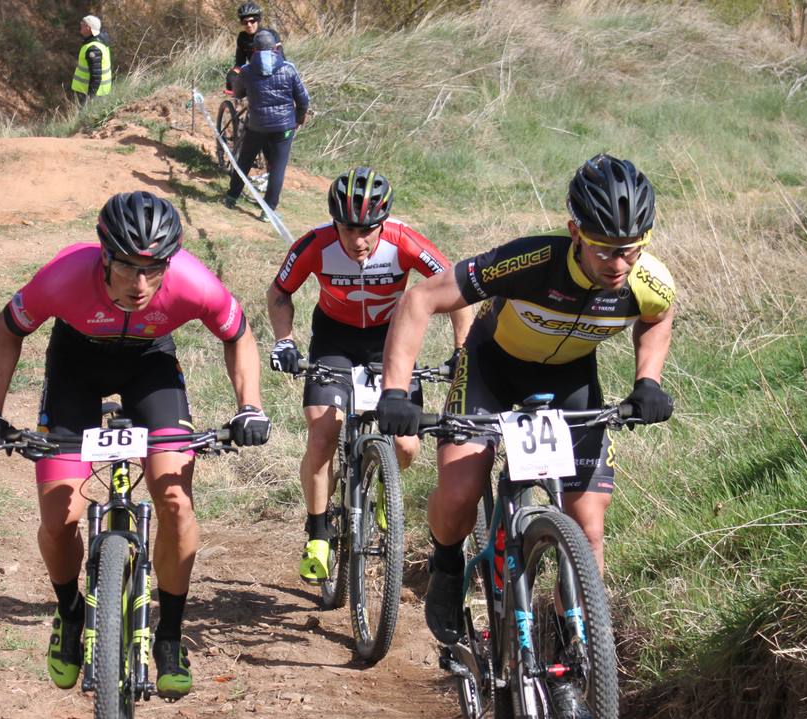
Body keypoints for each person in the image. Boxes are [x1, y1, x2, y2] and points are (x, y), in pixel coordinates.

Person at [0, 191, 271, 700]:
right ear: (104, 256)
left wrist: (250, 406)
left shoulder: (195, 282)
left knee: (174, 499)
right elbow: (6, 331)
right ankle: (69, 615)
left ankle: (169, 635)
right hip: (76, 367)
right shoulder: (63, 277)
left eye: (154, 269)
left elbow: (237, 335)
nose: (141, 283)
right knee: (59, 517)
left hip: (150, 366)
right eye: (128, 267)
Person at [377, 153, 676, 648]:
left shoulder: (648, 280)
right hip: (492, 368)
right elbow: (420, 299)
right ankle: (448, 569)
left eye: (632, 249)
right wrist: (394, 390)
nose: (619, 265)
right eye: (604, 250)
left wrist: (648, 379)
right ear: (574, 232)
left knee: (588, 528)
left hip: (571, 380)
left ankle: (575, 656)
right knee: (459, 493)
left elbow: (658, 316)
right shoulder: (533, 261)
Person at [267, 167, 472, 582]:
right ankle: (319, 532)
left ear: (383, 223)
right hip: (334, 342)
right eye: (347, 229)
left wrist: (461, 353)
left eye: (368, 230)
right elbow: (279, 292)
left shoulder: (403, 241)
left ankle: (383, 487)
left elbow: (459, 292)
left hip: (391, 341)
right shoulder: (316, 244)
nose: (358, 241)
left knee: (408, 446)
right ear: (334, 223)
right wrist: (284, 341)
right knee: (323, 436)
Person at [222, 29, 308, 216]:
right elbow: (303, 100)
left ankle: (231, 197)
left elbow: (237, 93)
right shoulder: (288, 69)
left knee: (244, 160)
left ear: (254, 51)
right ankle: (267, 212)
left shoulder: (246, 71)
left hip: (257, 125)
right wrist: (298, 118)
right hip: (284, 127)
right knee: (278, 167)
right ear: (276, 48)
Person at [71, 14, 112, 105]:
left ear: (88, 28)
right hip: (96, 91)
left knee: (85, 117)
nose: (80, 24)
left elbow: (96, 75)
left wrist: (90, 97)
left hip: (92, 93)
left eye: (83, 23)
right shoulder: (99, 41)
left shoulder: (93, 48)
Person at [225, 2, 264, 94]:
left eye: (252, 21)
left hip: (271, 73)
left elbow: (282, 59)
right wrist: (233, 75)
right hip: (254, 73)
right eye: (245, 22)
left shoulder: (269, 35)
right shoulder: (242, 37)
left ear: (258, 20)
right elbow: (240, 63)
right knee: (231, 78)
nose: (249, 25)